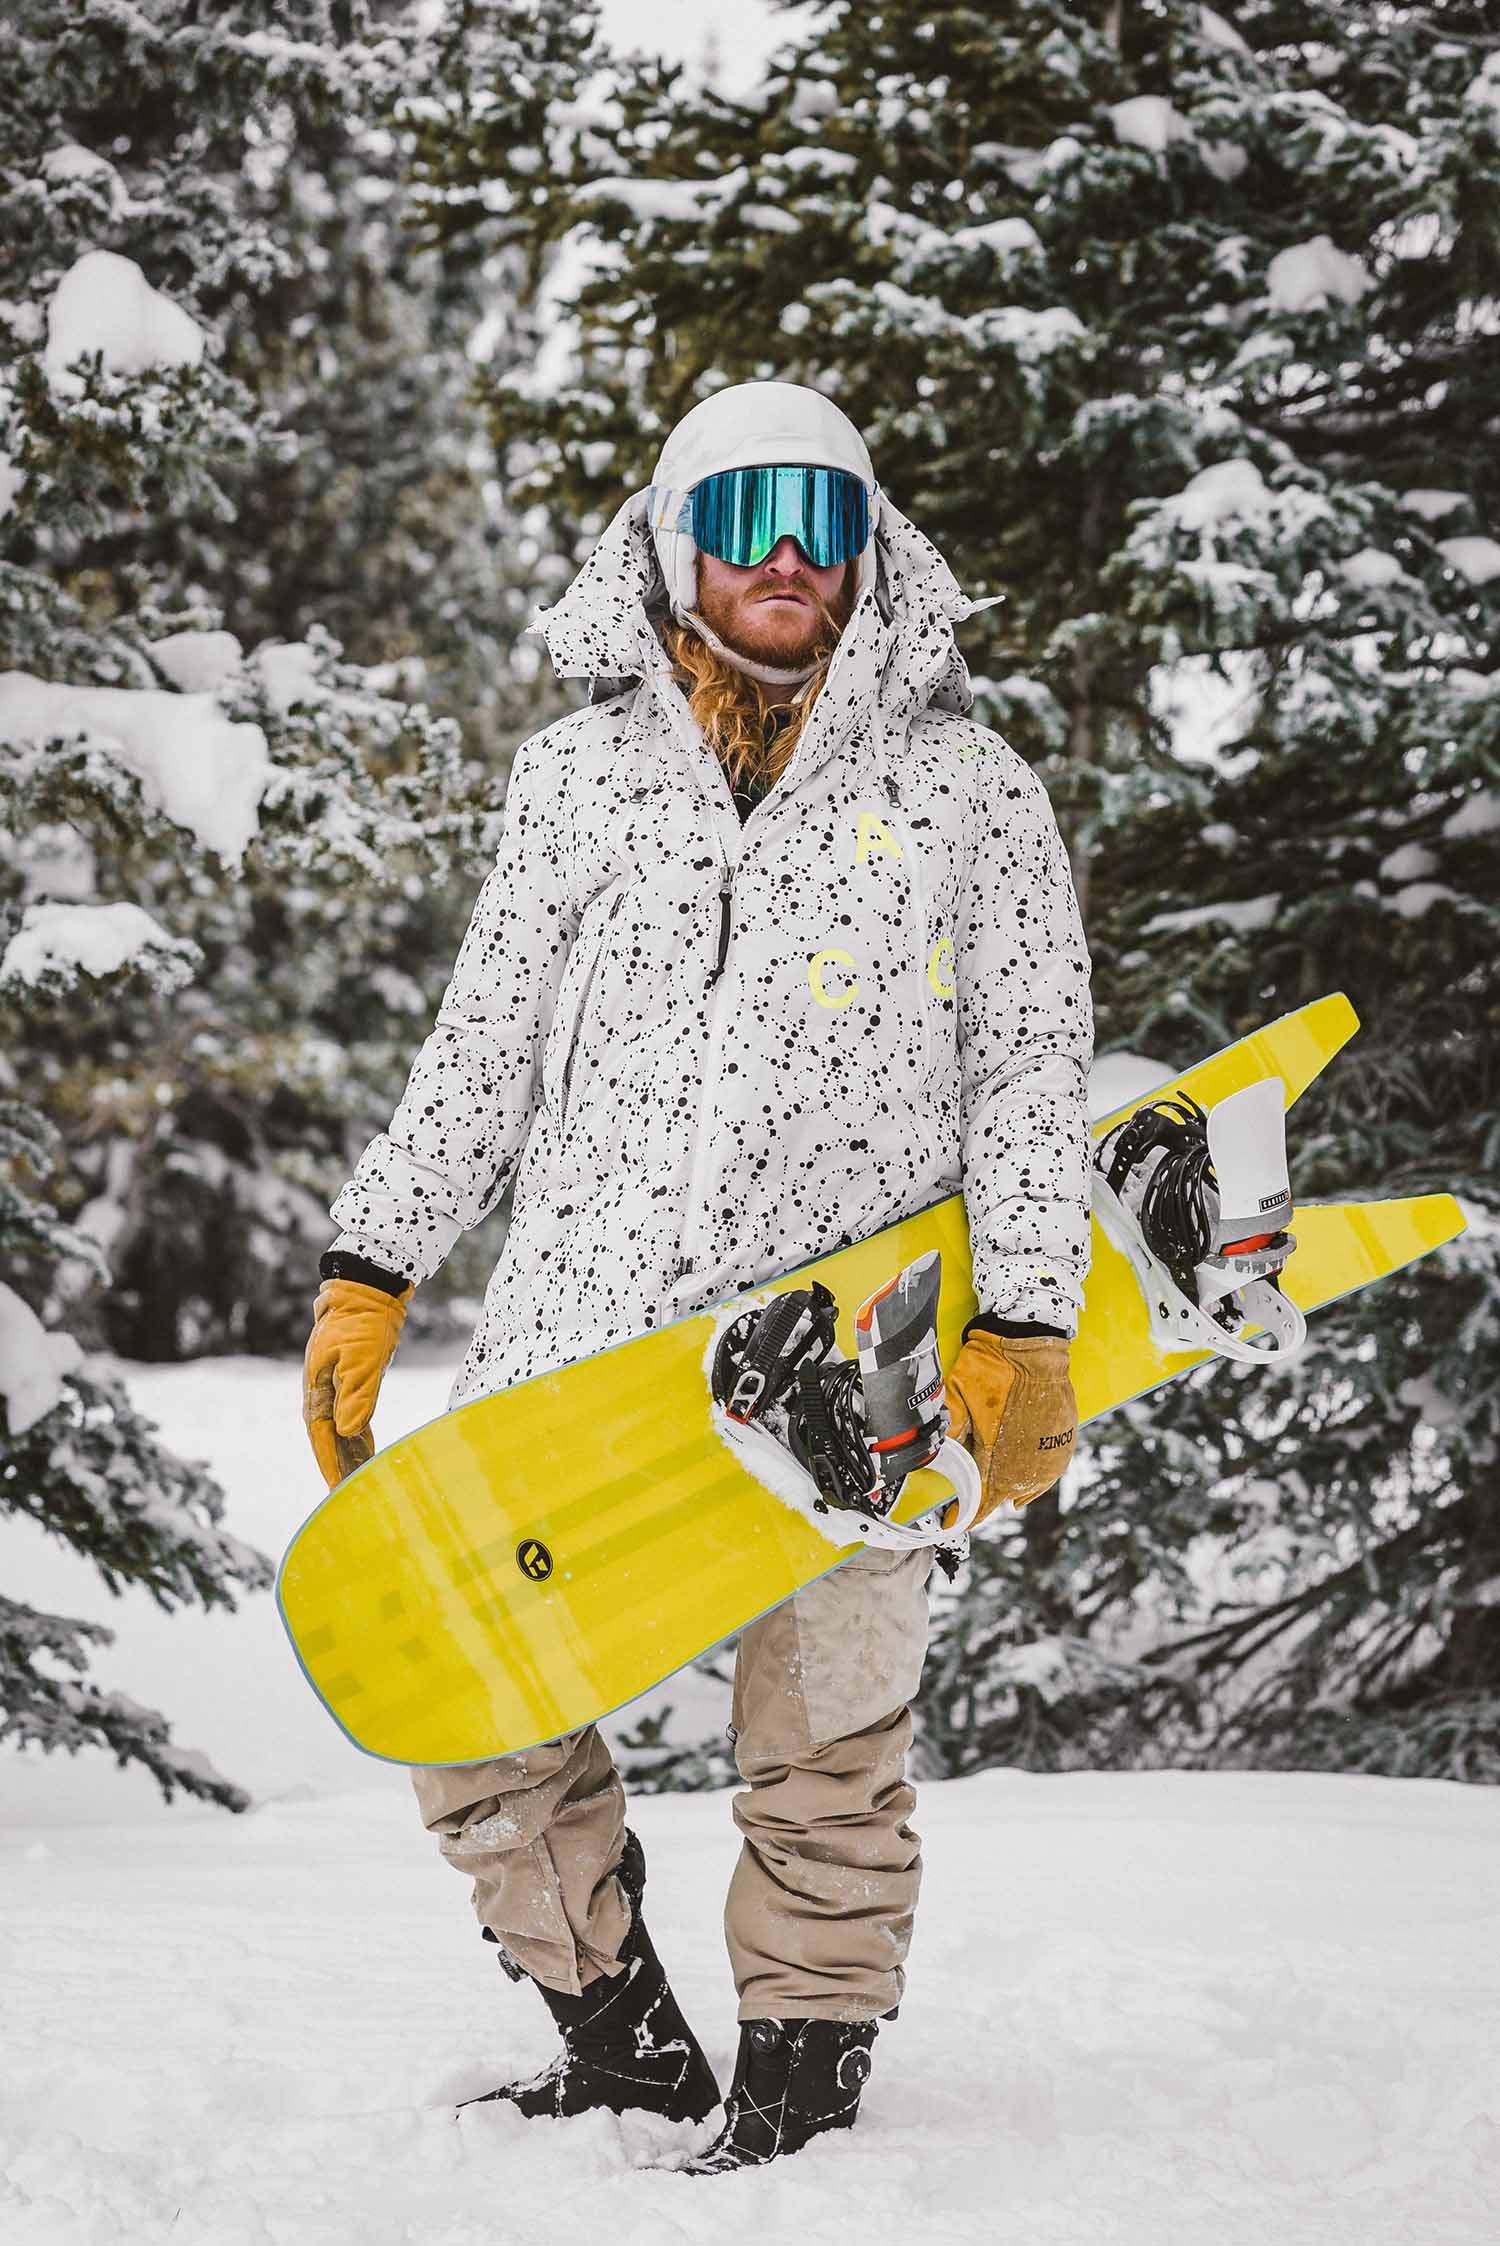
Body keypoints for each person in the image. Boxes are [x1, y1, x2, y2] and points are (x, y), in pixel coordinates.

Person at [301, 380, 1093, 2173]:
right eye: (744, 519)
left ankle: (804, 2074)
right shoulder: (575, 778)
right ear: (673, 544)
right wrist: (373, 1261)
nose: (788, 558)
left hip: (851, 1358)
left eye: (826, 517)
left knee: (827, 1739)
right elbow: (483, 1043)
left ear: (872, 545)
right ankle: (625, 2036)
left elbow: (1033, 1066)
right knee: (465, 1697)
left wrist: (1028, 1313)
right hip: (579, 1342)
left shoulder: (971, 790)